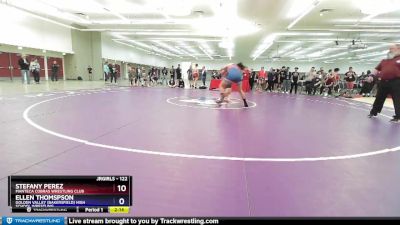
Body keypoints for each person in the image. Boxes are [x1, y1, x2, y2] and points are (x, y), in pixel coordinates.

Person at [369, 44, 400, 123]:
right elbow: (376, 69)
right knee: (379, 98)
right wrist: (371, 75)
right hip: (383, 82)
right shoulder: (384, 61)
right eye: (389, 48)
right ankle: (373, 112)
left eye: (392, 48)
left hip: (396, 82)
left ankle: (398, 116)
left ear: (398, 49)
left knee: (397, 99)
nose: (390, 50)